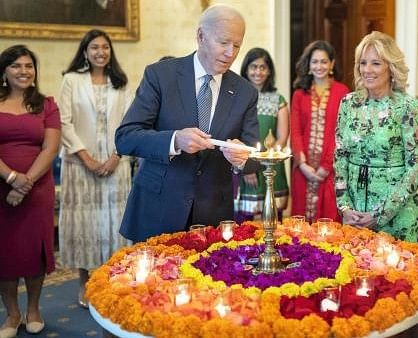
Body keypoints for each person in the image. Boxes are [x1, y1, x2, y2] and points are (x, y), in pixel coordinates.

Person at [115, 4, 259, 242]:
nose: (230, 53)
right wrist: (174, 140)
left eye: (237, 45)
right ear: (201, 36)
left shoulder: (245, 92)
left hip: (212, 216)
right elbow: (125, 137)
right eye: (223, 43)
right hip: (158, 207)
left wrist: (242, 159)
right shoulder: (161, 75)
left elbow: (254, 156)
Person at [57, 29, 132, 308]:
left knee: (114, 225)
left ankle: (113, 282)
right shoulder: (71, 80)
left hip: (116, 163)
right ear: (85, 52)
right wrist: (87, 158)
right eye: (94, 47)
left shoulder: (121, 83)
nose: (101, 52)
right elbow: (64, 122)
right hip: (80, 164)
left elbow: (129, 123)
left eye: (105, 47)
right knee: (85, 225)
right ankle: (85, 283)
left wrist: (115, 156)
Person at [334, 31, 418, 241]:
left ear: (391, 67)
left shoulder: (407, 106)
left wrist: (381, 214)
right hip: (355, 212)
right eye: (363, 63)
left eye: (375, 63)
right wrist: (345, 207)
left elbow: (416, 166)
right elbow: (340, 158)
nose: (367, 70)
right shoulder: (348, 103)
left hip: (397, 213)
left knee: (397, 272)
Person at [0, 45, 61, 337]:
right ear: (4, 71)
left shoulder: (46, 104)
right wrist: (11, 178)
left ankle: (34, 309)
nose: (23, 71)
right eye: (16, 66)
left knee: (34, 251)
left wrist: (24, 185)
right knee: (5, 252)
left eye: (29, 66)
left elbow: (50, 148)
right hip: (1, 187)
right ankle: (12, 314)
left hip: (37, 189)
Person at [290, 40, 349, 223]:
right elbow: (295, 131)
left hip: (330, 171)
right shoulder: (300, 94)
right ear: (308, 65)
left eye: (324, 61)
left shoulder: (343, 92)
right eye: (314, 62)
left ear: (331, 64)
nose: (319, 66)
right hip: (303, 170)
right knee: (301, 224)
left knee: (329, 222)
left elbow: (341, 133)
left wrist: (326, 166)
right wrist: (302, 164)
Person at [234, 47, 289, 222]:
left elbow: (282, 136)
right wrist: (249, 165)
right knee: (244, 221)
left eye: (263, 67)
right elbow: (235, 132)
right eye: (253, 67)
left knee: (273, 218)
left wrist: (270, 161)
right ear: (246, 69)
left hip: (272, 164)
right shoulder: (237, 97)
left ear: (269, 70)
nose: (258, 72)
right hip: (245, 163)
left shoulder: (277, 99)